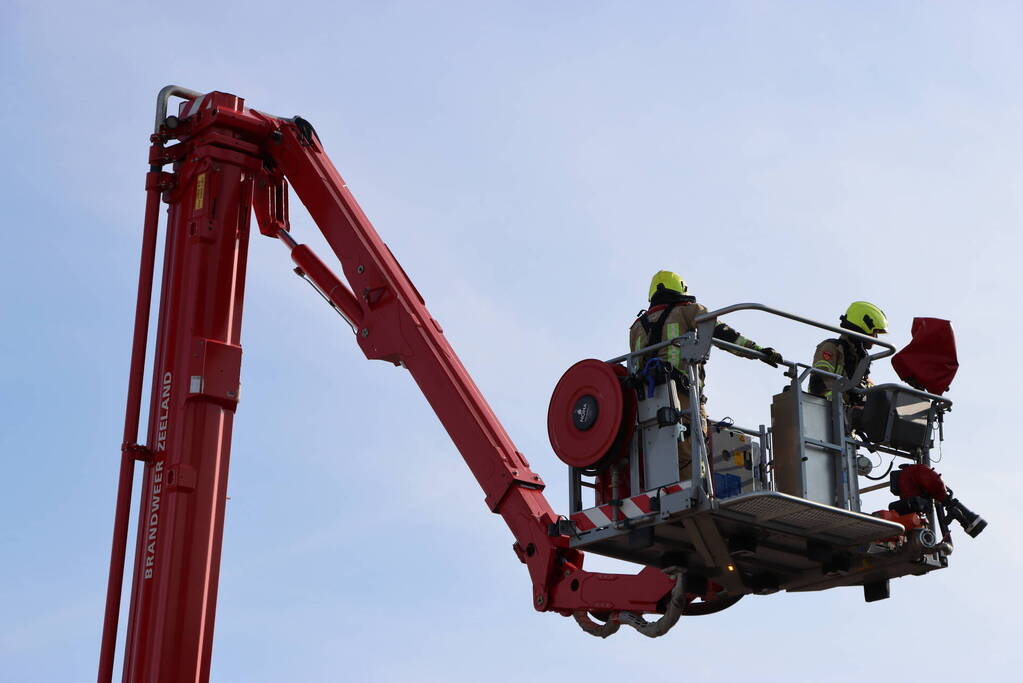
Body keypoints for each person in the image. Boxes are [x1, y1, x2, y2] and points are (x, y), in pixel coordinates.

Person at [629, 270, 783, 480]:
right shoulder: (689, 311)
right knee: (691, 451)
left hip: (645, 400)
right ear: (680, 289)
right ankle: (694, 491)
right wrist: (757, 351)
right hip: (682, 395)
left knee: (654, 451)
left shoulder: (637, 326)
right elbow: (723, 334)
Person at [809, 301, 888, 402]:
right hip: (831, 410)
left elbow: (865, 388)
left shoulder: (861, 358)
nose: (876, 338)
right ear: (862, 327)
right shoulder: (832, 348)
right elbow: (819, 387)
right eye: (874, 332)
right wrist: (849, 402)